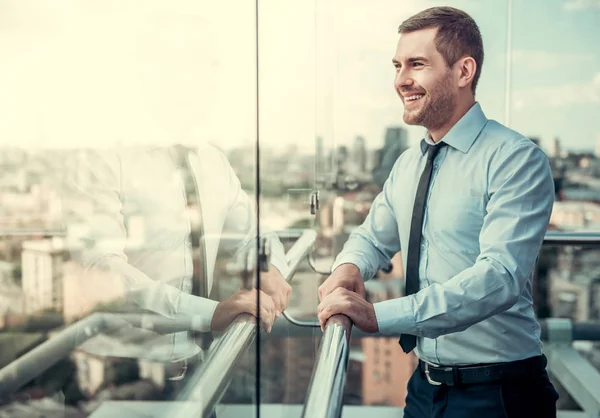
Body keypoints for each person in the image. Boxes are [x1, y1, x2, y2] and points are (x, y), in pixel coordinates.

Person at [317, 6, 558, 417]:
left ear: (464, 72)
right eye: (397, 66)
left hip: (500, 394)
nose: (400, 80)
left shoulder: (516, 160)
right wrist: (348, 267)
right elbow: (373, 236)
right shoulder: (410, 163)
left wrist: (380, 316)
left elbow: (500, 277)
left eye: (417, 64)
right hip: (424, 388)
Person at [62, 139, 292, 388]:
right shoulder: (105, 156)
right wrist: (210, 313)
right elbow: (103, 270)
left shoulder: (212, 160)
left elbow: (251, 235)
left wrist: (268, 268)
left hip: (200, 367)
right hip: (119, 374)